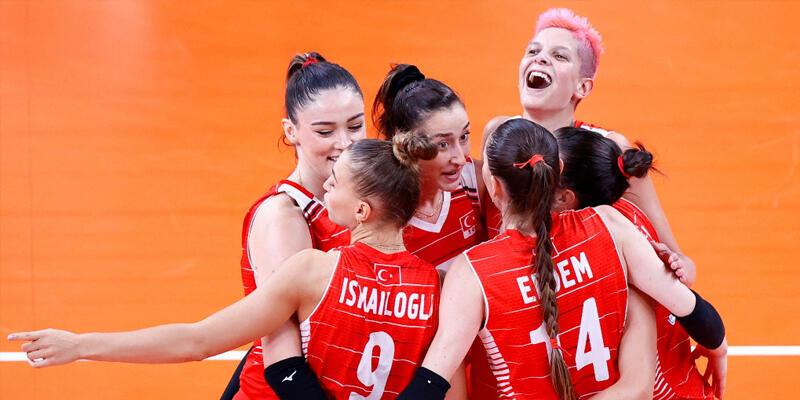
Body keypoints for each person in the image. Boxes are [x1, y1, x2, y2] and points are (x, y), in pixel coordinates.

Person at [9, 135, 444, 400]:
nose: (325, 186)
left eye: (335, 183)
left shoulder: (314, 271)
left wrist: (81, 344)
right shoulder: (436, 288)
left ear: (362, 211)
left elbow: (196, 341)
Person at [399, 119, 726, 399]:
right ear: (558, 172)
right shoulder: (609, 225)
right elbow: (695, 311)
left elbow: (431, 383)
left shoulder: (472, 272)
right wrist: (718, 346)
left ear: (495, 186)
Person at [484, 7, 697, 283]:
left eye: (559, 56)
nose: (541, 58)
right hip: (508, 290)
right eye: (533, 51)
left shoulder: (608, 149)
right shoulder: (496, 133)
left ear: (582, 87)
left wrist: (674, 265)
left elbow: (681, 260)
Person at [225, 52, 364, 400]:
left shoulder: (364, 198)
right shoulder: (283, 216)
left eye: (355, 125)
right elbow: (283, 360)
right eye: (325, 131)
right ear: (291, 132)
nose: (345, 142)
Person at [554, 127, 714, 399]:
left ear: (565, 197)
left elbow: (638, 387)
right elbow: (694, 307)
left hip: (663, 388)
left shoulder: (608, 243)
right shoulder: (625, 213)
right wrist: (717, 343)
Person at [373, 64, 486, 273]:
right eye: (442, 144)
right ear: (406, 143)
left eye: (464, 136)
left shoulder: (473, 180)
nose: (460, 158)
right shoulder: (383, 217)